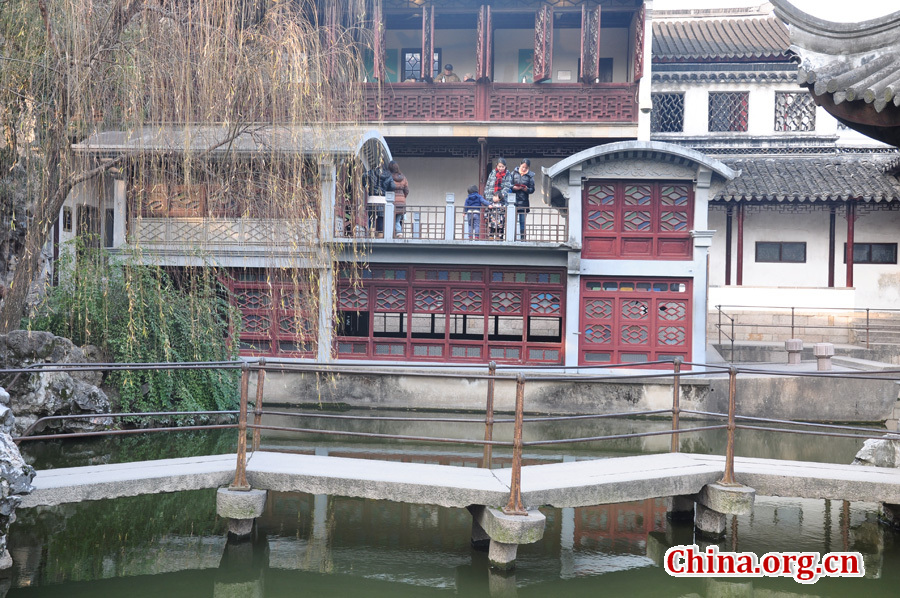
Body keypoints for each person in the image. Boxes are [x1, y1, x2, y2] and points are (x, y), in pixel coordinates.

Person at [509, 158, 535, 241]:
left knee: (522, 222)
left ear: (528, 168)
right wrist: (514, 187)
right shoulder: (513, 173)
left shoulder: (530, 176)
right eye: (523, 167)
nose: (524, 169)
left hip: (524, 202)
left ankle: (523, 238)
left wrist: (526, 189)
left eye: (526, 168)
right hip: (513, 201)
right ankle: (512, 238)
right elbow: (508, 184)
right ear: (520, 165)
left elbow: (532, 189)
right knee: (512, 221)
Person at [385, 160, 409, 237]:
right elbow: (407, 190)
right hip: (402, 201)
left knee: (391, 218)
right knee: (398, 219)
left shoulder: (389, 177)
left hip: (392, 200)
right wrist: (403, 197)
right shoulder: (403, 178)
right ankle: (399, 232)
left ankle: (396, 233)